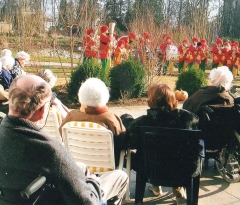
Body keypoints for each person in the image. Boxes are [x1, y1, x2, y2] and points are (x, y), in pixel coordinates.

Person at [0, 74, 128, 205]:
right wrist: (92, 182)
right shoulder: (51, 151)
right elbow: (87, 202)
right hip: (72, 197)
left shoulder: (4, 134)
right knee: (120, 176)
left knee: (81, 166)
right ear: (43, 109)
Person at [123, 83, 200, 205]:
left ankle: (155, 186)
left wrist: (126, 119)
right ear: (173, 99)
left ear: (151, 101)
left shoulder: (142, 122)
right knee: (177, 156)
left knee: (150, 155)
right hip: (182, 169)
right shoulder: (188, 119)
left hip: (150, 169)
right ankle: (178, 189)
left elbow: (130, 142)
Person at [60, 77, 126, 165]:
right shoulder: (111, 119)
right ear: (106, 96)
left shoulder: (71, 117)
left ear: (80, 97)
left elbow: (61, 135)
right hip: (105, 166)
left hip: (76, 164)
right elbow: (123, 143)